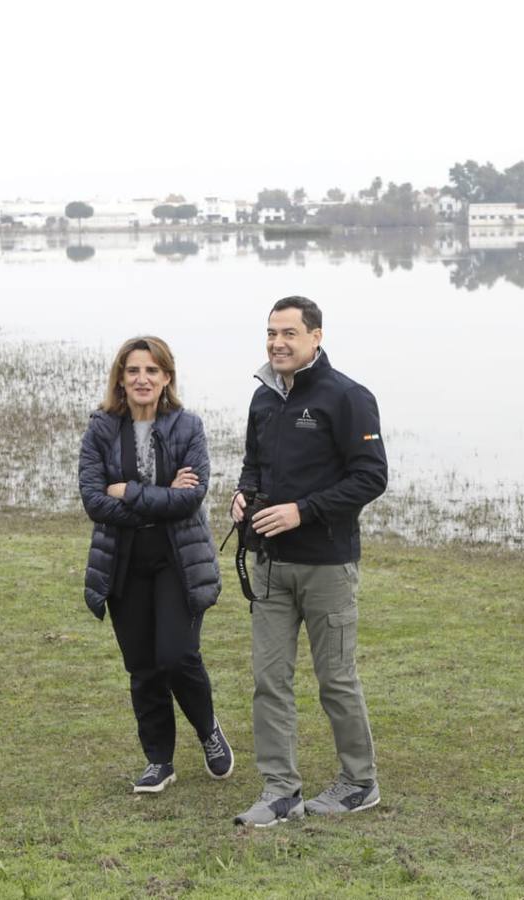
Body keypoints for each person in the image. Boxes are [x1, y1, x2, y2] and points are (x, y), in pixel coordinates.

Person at [231, 296, 388, 827]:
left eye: (289, 333)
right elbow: (254, 463)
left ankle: (359, 783)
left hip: (327, 565)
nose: (277, 342)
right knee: (269, 679)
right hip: (269, 566)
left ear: (316, 337)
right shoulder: (263, 398)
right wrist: (243, 493)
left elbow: (370, 477)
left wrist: (303, 511)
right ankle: (279, 790)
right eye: (271, 333)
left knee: (335, 678)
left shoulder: (348, 397)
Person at [78, 335, 233, 793]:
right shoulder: (102, 428)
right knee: (143, 666)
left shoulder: (188, 427)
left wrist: (125, 490)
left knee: (176, 655)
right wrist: (159, 496)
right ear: (120, 380)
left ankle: (207, 731)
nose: (142, 378)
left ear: (166, 377)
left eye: (151, 370)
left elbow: (191, 499)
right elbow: (93, 500)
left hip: (177, 560)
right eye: (133, 371)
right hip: (123, 562)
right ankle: (158, 760)